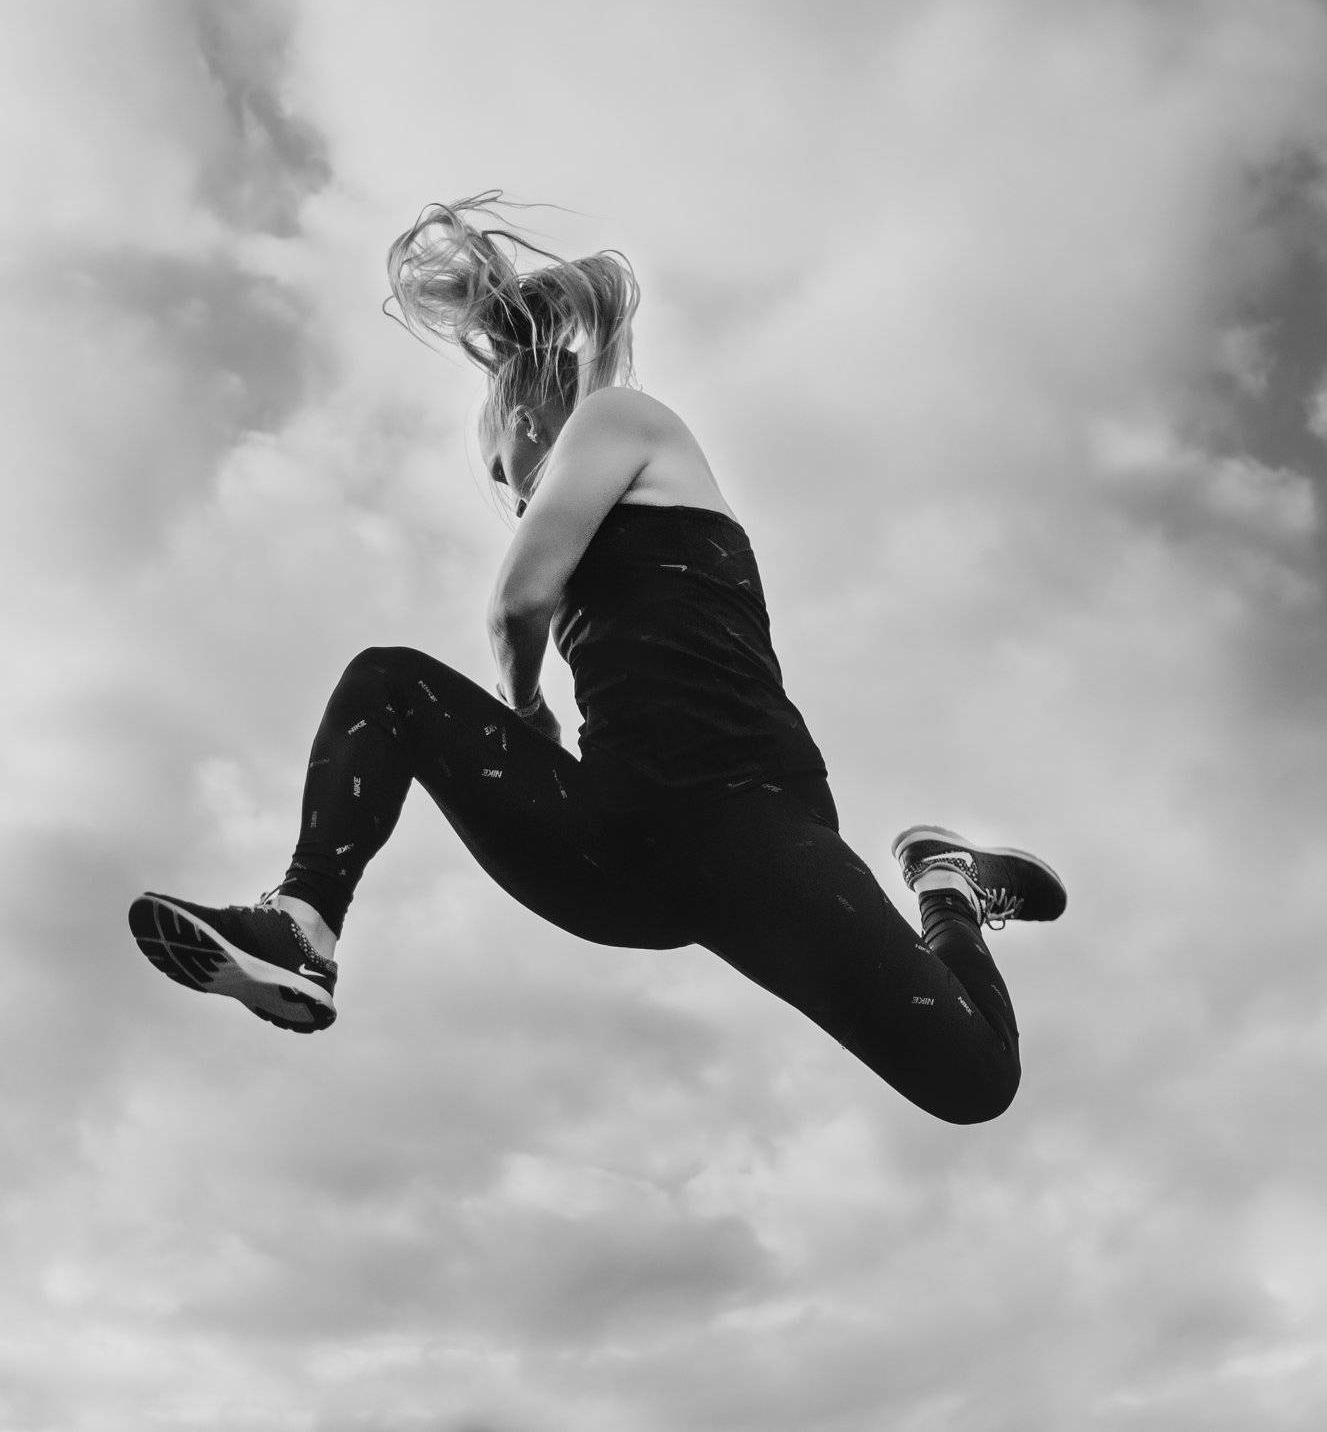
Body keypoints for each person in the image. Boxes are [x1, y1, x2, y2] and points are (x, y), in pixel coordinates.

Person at [128, 191, 1066, 1125]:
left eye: (499, 468)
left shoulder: (621, 420)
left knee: (975, 1083)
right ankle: (302, 925)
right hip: (622, 840)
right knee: (389, 686)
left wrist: (526, 707)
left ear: (526, 419)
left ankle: (943, 881)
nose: (508, 493)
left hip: (750, 820)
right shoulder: (584, 494)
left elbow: (516, 601)